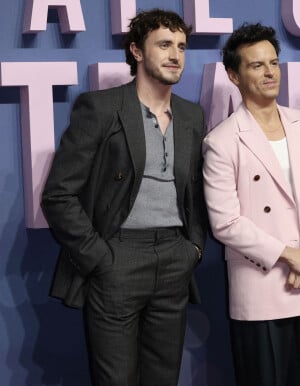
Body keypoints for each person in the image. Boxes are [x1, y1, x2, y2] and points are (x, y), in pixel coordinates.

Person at [41, 9, 207, 386]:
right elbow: (59, 195)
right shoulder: (100, 108)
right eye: (164, 44)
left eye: (181, 46)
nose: (175, 55)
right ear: (136, 50)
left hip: (174, 259)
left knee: (164, 378)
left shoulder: (192, 116)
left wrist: (193, 247)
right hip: (117, 258)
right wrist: (101, 258)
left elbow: (195, 193)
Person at [202, 23, 300, 386]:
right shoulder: (222, 141)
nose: (269, 73)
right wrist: (288, 254)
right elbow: (225, 222)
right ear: (234, 75)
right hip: (261, 289)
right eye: (256, 65)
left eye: (274, 63)